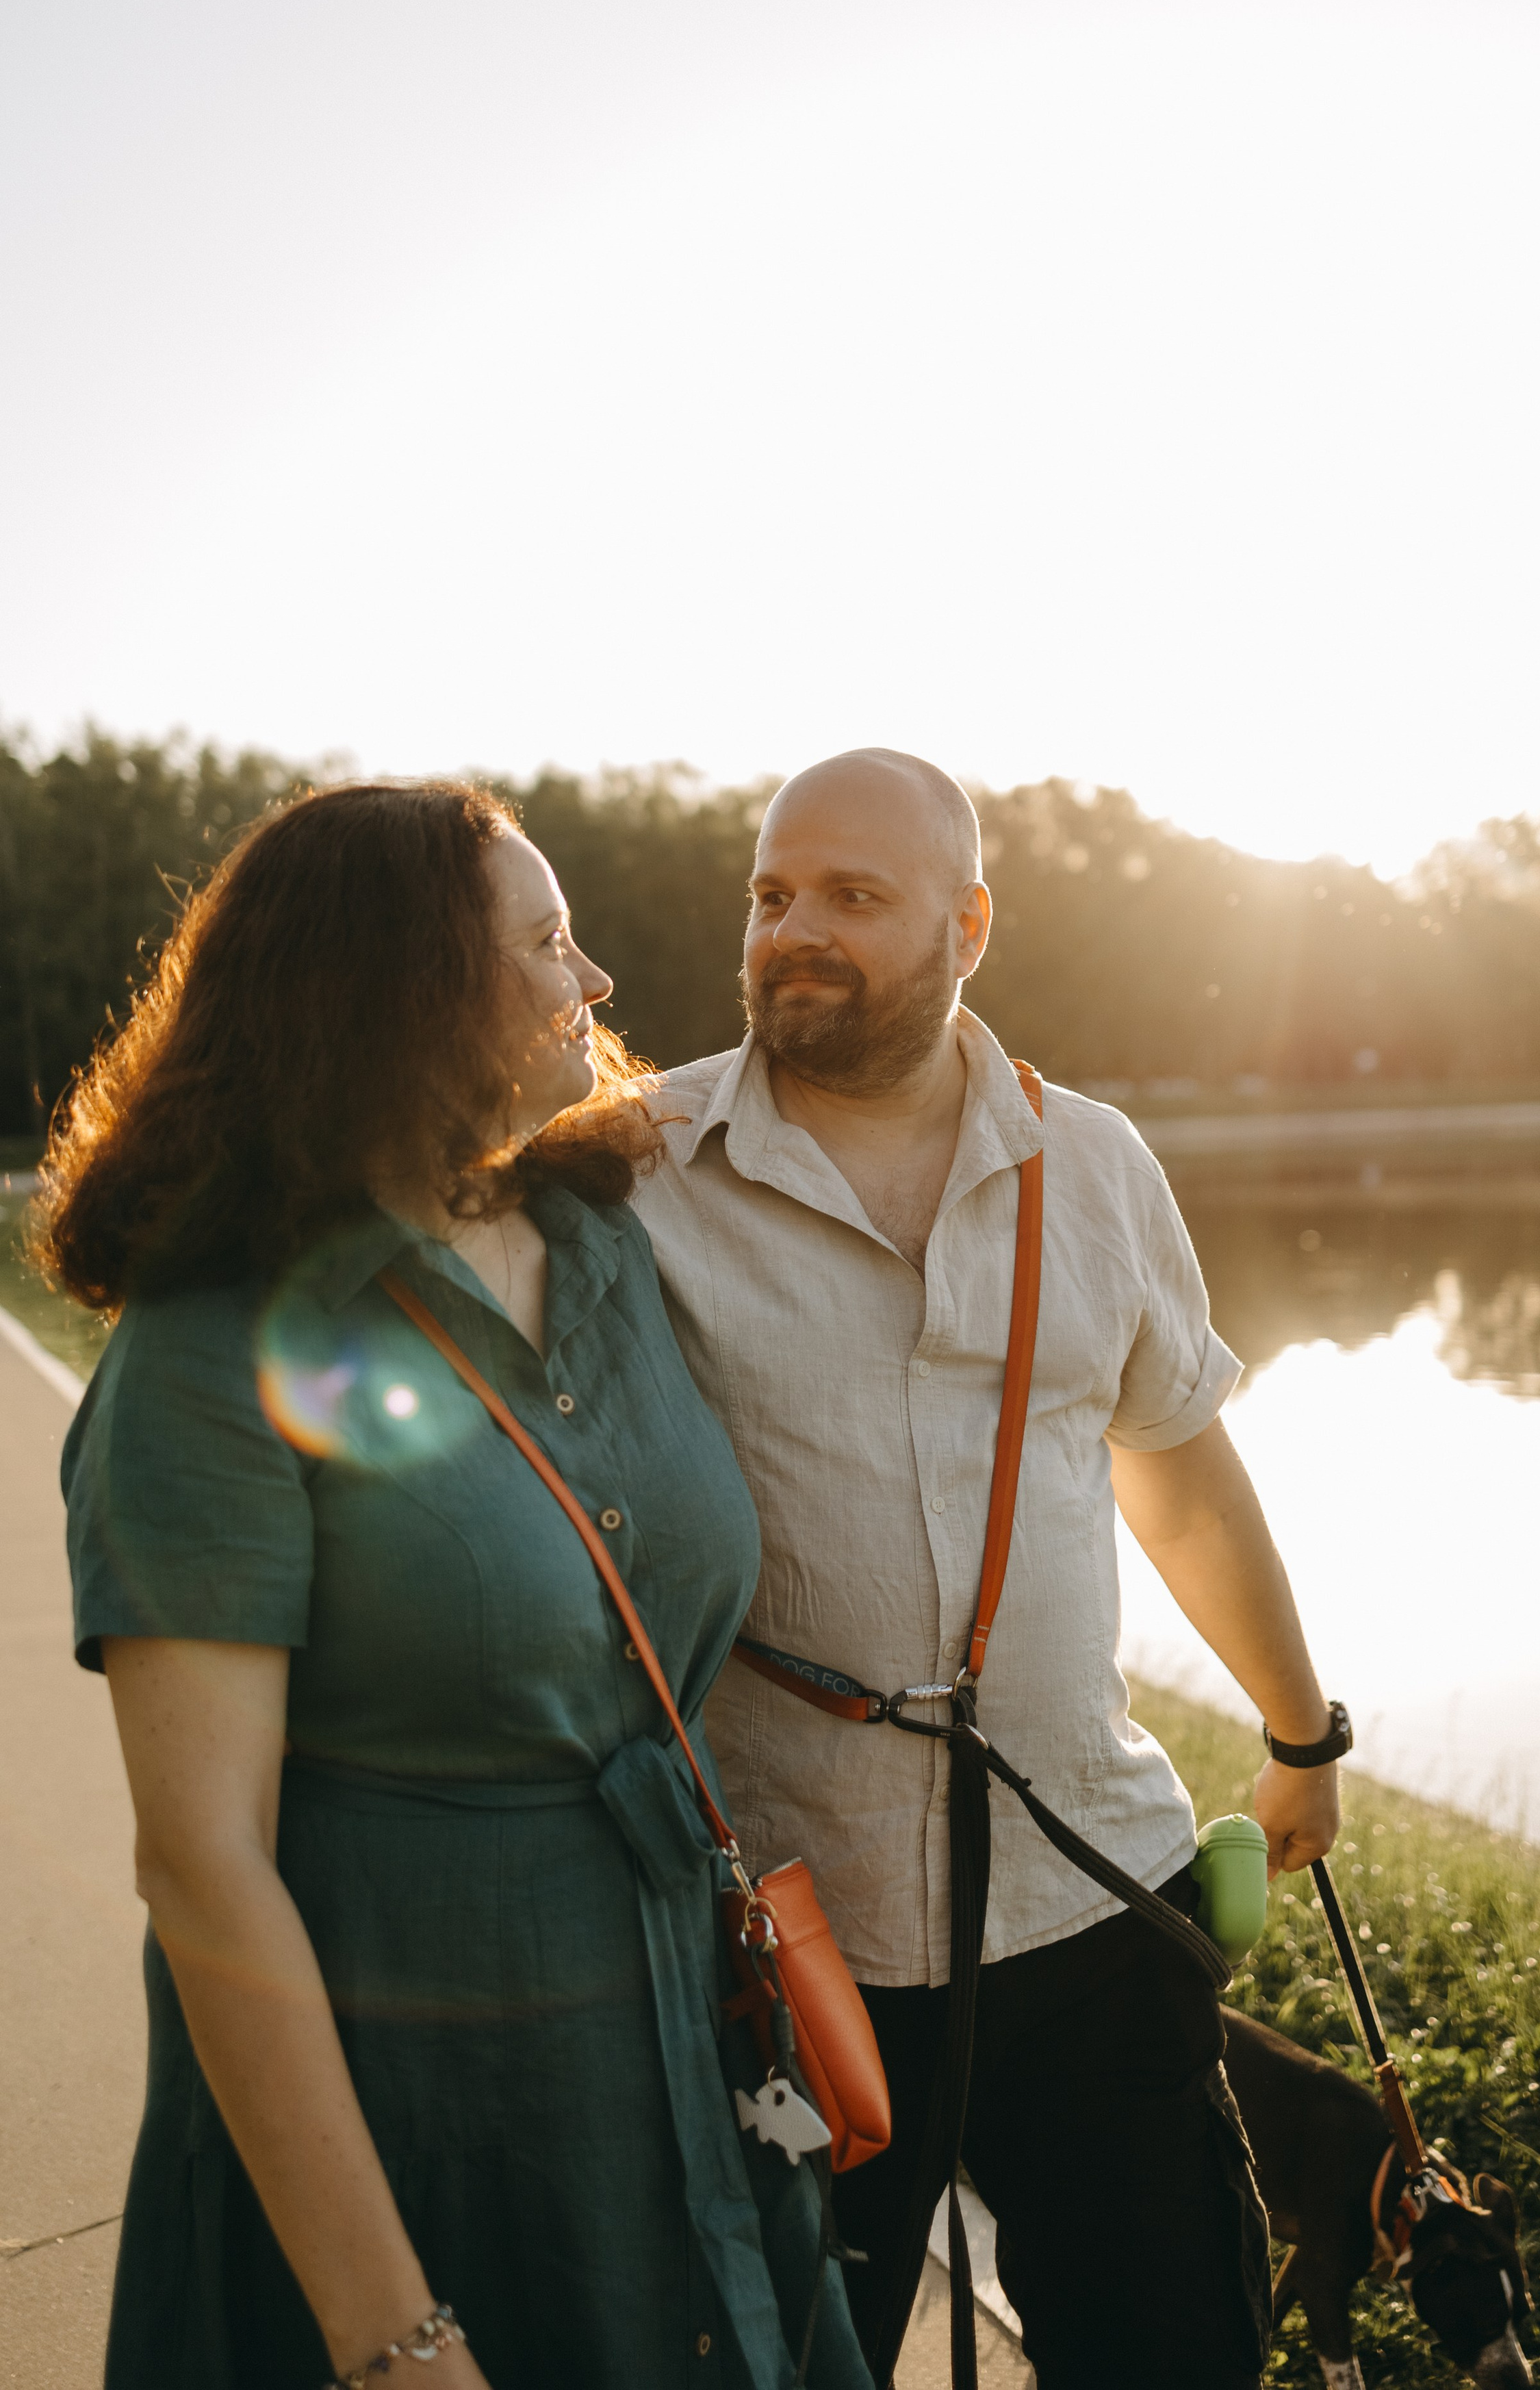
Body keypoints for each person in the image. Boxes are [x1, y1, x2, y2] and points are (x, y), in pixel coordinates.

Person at [33, 780, 871, 2390]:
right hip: (409, 2132)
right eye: (549, 941)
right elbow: (205, 1868)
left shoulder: (603, 1242)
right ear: (401, 992)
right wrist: (390, 2337)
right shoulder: (212, 1352)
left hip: (679, 2072)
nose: (596, 979)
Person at [635, 748, 1348, 2389]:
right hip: (792, 1939)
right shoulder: (635, 1171)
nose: (792, 929)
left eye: (852, 898)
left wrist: (1297, 1731)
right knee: (780, 2366)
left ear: (966, 925)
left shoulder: (1090, 1162)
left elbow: (1173, 1464)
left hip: (1090, 1895)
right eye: (770, 894)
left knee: (1170, 2346)